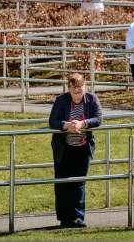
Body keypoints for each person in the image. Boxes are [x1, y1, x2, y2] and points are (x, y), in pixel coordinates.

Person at [49, 73, 103, 228]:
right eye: (73, 87)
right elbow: (53, 121)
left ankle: (78, 217)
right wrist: (68, 125)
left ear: (84, 86)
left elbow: (98, 119)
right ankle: (65, 219)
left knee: (79, 183)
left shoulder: (92, 99)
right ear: (69, 88)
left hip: (83, 147)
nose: (77, 90)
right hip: (63, 148)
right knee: (62, 183)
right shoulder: (61, 100)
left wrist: (82, 123)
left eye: (79, 87)